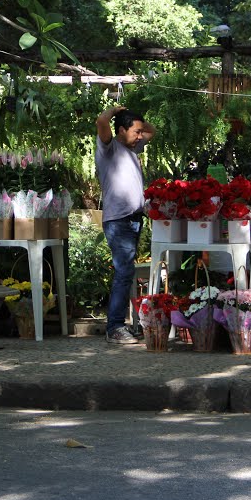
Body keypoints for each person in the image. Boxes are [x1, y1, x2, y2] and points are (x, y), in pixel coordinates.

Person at [96, 105, 156, 344]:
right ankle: (115, 327)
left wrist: (136, 118)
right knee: (123, 273)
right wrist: (114, 110)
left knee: (126, 272)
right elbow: (101, 121)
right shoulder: (109, 148)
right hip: (118, 220)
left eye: (140, 132)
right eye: (135, 131)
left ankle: (122, 325)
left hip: (133, 219)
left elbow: (153, 131)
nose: (141, 136)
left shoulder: (133, 147)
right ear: (121, 130)